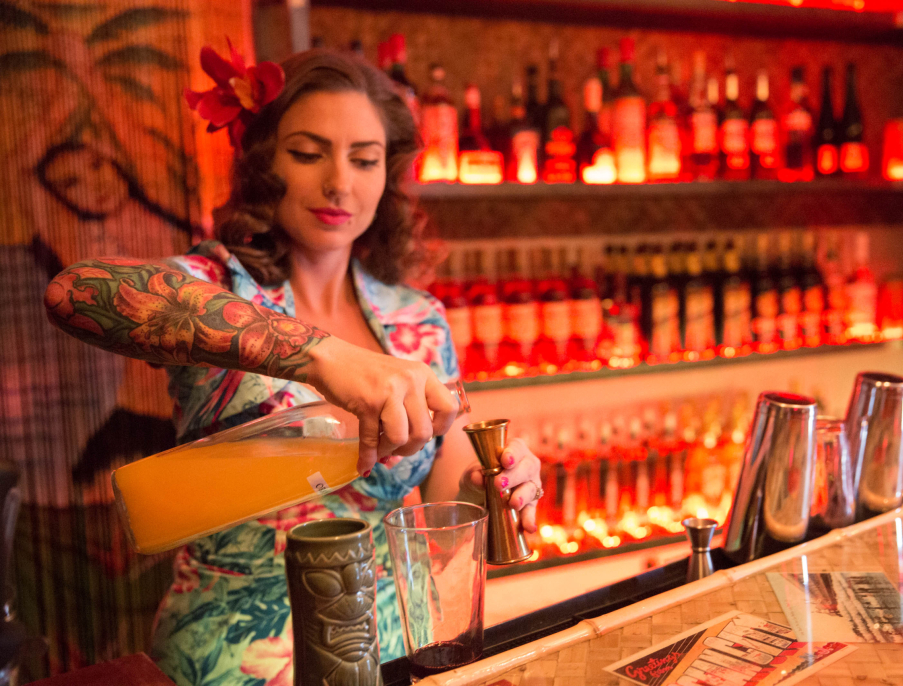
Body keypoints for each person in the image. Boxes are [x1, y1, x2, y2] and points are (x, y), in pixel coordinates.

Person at [43, 46, 543, 683]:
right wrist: (321, 357)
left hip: (393, 653)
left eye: (364, 160)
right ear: (263, 165)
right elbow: (74, 294)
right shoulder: (219, 284)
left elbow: (442, 495)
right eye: (308, 153)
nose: (339, 182)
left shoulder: (416, 318)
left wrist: (498, 485)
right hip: (236, 660)